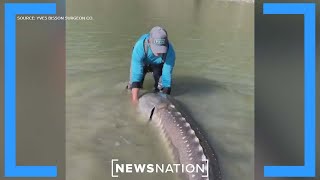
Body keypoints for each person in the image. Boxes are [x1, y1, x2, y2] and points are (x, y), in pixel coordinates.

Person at [126, 26, 176, 105]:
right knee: (131, 88)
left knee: (161, 88)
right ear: (149, 41)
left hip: (158, 65)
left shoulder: (170, 52)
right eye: (157, 48)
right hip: (142, 63)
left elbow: (166, 75)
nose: (159, 52)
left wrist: (165, 100)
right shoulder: (139, 47)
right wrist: (134, 101)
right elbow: (136, 74)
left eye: (162, 48)